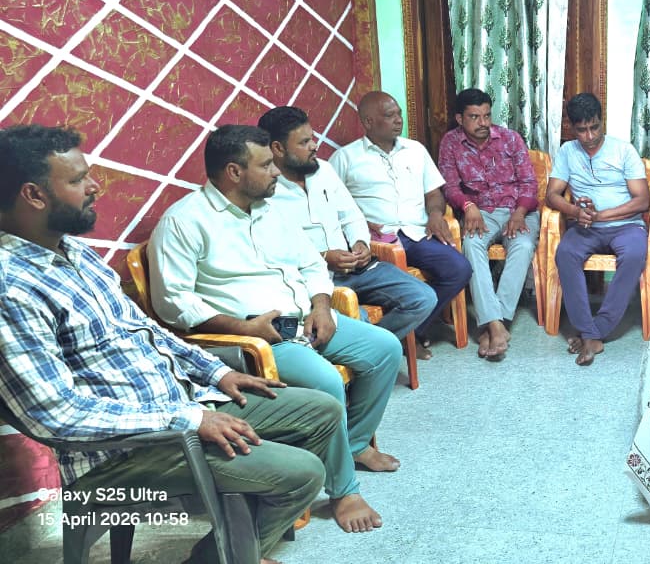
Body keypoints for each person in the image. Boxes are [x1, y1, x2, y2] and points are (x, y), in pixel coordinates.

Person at [0, 124, 341, 563]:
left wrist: (216, 371)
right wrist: (189, 419)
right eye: (78, 179)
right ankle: (224, 553)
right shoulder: (11, 288)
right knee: (302, 473)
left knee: (321, 412)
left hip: (180, 404)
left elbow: (144, 328)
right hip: (120, 456)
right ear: (34, 195)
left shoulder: (72, 252)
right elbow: (57, 415)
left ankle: (232, 548)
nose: (95, 186)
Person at [149, 125, 401, 533]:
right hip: (256, 339)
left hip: (308, 318)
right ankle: (343, 491)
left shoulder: (271, 209)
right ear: (234, 172)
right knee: (326, 382)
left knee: (385, 348)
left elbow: (311, 264)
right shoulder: (184, 221)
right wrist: (244, 326)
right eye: (266, 164)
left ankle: (353, 445)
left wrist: (321, 305)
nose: (276, 172)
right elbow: (173, 303)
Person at [257, 105, 437, 350]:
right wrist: (324, 257)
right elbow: (272, 250)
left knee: (423, 297)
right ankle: (374, 348)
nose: (314, 146)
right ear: (278, 148)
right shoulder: (265, 189)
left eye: (313, 138)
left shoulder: (323, 170)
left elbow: (351, 215)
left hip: (355, 268)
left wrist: (360, 243)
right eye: (304, 142)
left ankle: (375, 347)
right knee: (357, 319)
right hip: (313, 282)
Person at [330, 91, 472, 356]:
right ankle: (390, 340)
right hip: (378, 241)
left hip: (417, 232)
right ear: (368, 122)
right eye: (389, 115)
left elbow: (434, 193)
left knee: (459, 268)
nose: (398, 120)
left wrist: (435, 214)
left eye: (399, 114)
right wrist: (361, 223)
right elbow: (333, 206)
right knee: (398, 283)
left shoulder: (415, 150)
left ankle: (409, 332)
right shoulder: (344, 158)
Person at [546, 93, 650, 366]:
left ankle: (594, 332)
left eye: (594, 127)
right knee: (566, 254)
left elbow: (643, 200)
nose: (590, 136)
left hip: (626, 225)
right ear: (572, 127)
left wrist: (602, 215)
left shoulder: (623, 150)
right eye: (582, 130)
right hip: (585, 226)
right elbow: (552, 195)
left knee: (634, 255)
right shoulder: (567, 152)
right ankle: (589, 333)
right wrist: (575, 212)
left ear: (602, 121)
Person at [436, 88, 540, 360]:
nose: (483, 123)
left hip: (519, 210)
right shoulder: (450, 143)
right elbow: (449, 186)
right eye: (474, 117)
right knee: (471, 244)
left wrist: (520, 212)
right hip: (480, 212)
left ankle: (494, 324)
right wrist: (467, 206)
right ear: (460, 118)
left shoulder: (510, 138)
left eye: (486, 115)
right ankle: (496, 325)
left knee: (523, 246)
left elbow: (529, 183)